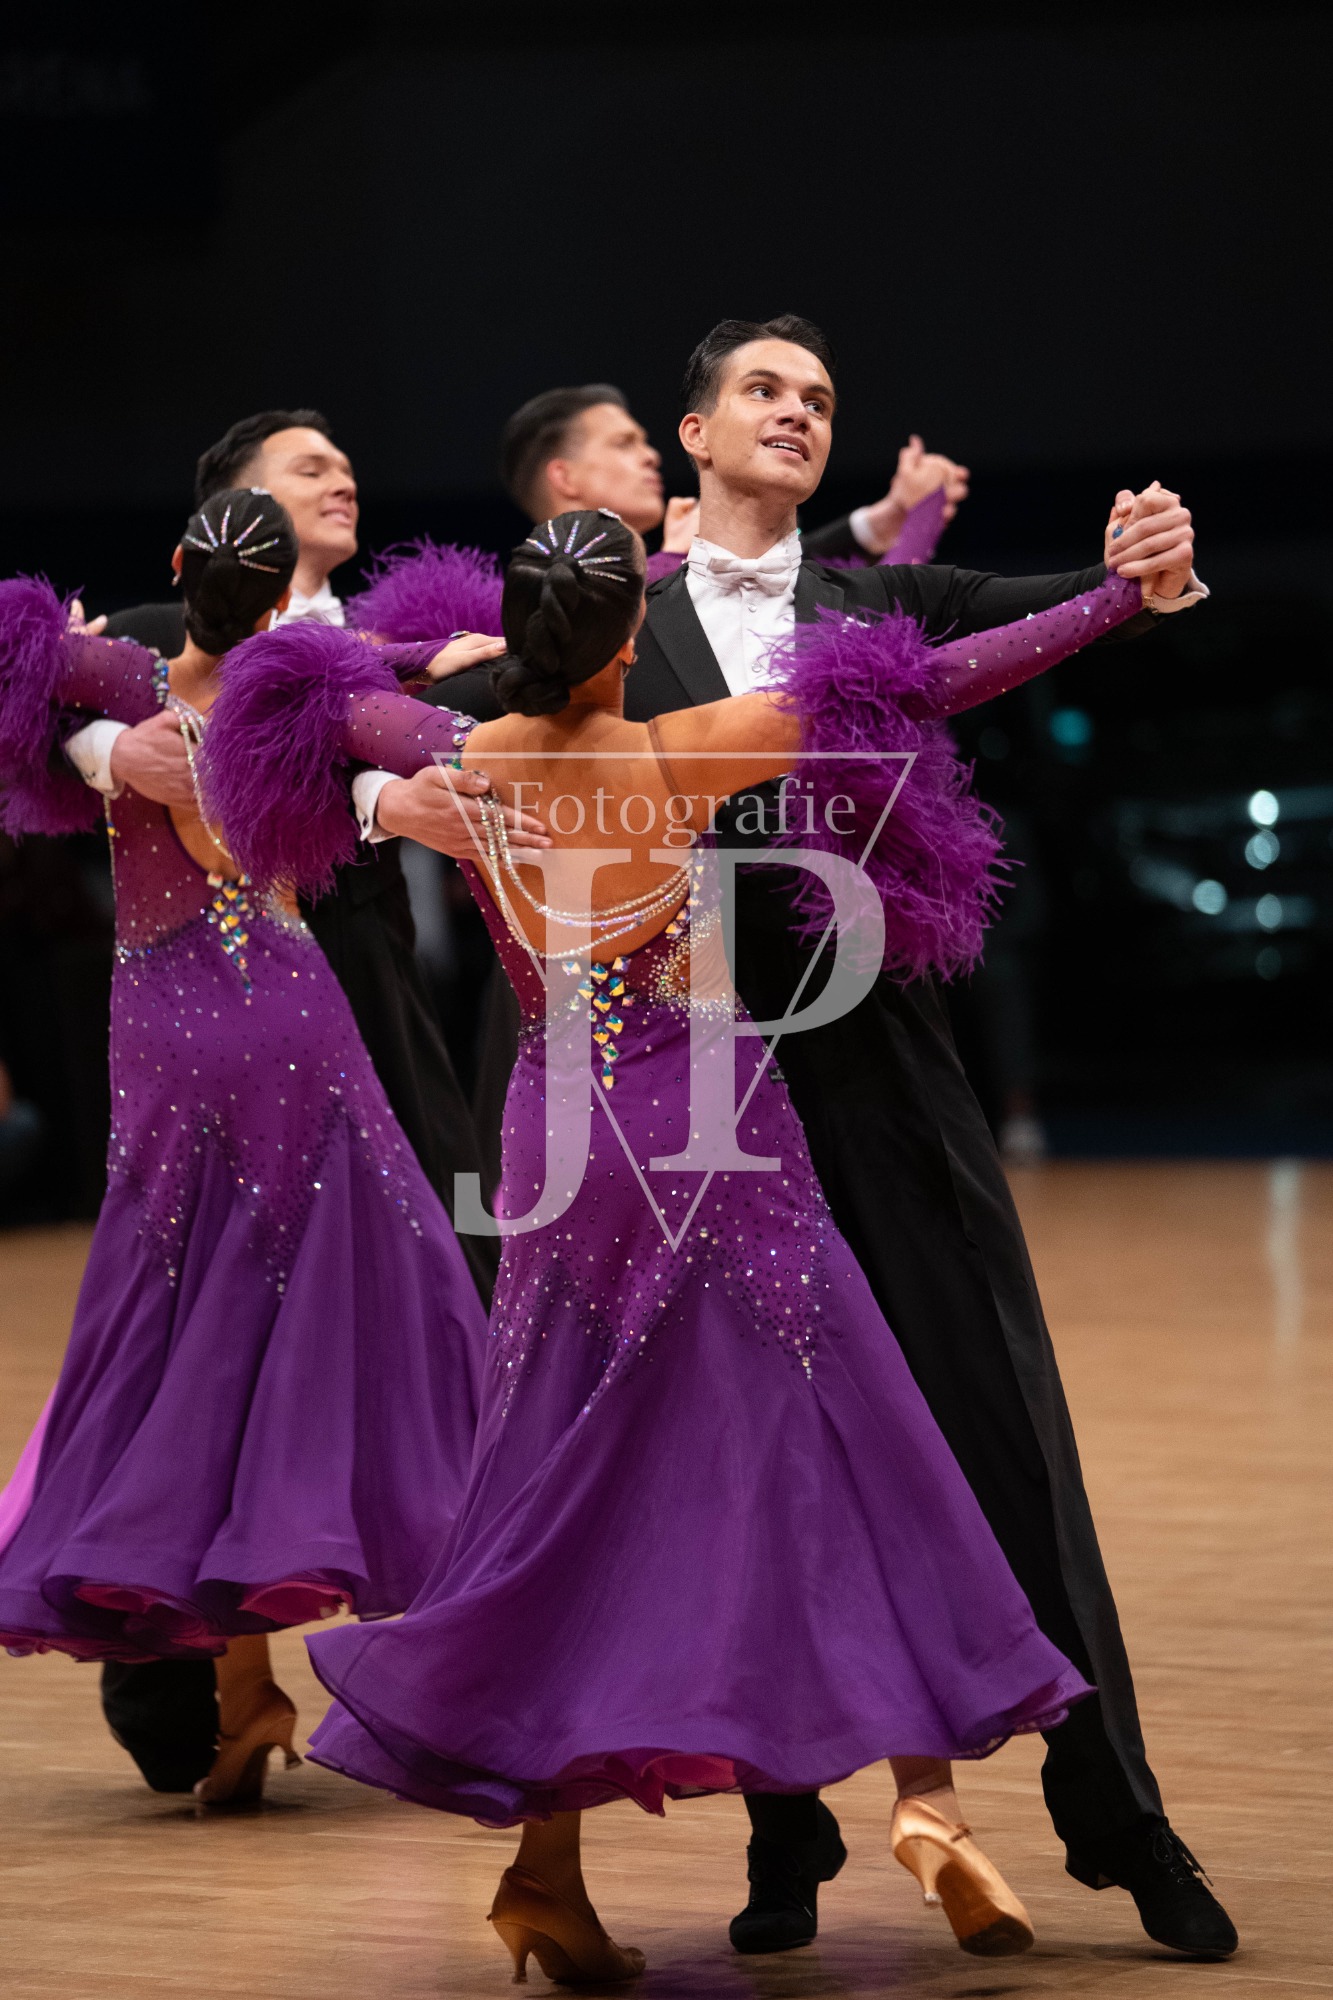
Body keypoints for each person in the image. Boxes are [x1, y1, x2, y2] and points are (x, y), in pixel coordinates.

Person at [204, 505, 1175, 1981]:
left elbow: (308, 689)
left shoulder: (460, 757)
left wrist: (397, 733)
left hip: (557, 1147)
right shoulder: (684, 750)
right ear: (621, 653)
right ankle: (925, 1801)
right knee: (839, 1443)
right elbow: (937, 678)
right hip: (715, 1136)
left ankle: (546, 1871)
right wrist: (1115, 602)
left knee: (555, 1478)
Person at [377, 318, 1235, 1964]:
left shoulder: (880, 601)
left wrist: (1149, 576)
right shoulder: (597, 618)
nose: (795, 412)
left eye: (817, 399)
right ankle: (789, 1831)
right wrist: (375, 798)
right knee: (746, 1460)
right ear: (691, 435)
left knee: (995, 1432)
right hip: (689, 1114)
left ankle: (1117, 1817)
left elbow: (1034, 613)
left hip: (877, 1070)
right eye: (762, 390)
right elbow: (372, 704)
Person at [0, 489, 489, 1806]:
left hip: (162, 1029)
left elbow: (13, 666)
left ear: (175, 567)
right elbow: (420, 716)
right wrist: (443, 706)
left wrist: (101, 743)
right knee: (382, 1316)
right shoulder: (309, 681)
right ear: (281, 599)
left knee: (203, 1340)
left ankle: (246, 1686)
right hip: (291, 1025)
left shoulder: (118, 673)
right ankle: (434, 1672)